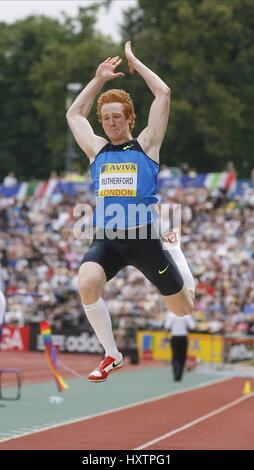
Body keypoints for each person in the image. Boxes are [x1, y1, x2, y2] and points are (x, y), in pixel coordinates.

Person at [66, 41, 194, 382]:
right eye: (105, 118)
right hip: (108, 239)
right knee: (87, 282)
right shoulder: (96, 150)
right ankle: (111, 354)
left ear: (129, 119)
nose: (110, 123)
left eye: (116, 117)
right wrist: (98, 80)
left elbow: (163, 93)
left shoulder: (148, 145)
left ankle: (177, 253)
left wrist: (135, 62)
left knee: (183, 309)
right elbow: (73, 115)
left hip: (144, 239)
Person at [165, 311, 196, 381]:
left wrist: (166, 336)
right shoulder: (186, 315)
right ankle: (179, 374)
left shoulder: (171, 315)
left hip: (175, 337)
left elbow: (167, 327)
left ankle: (175, 372)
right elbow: (192, 326)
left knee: (175, 355)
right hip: (183, 337)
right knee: (182, 356)